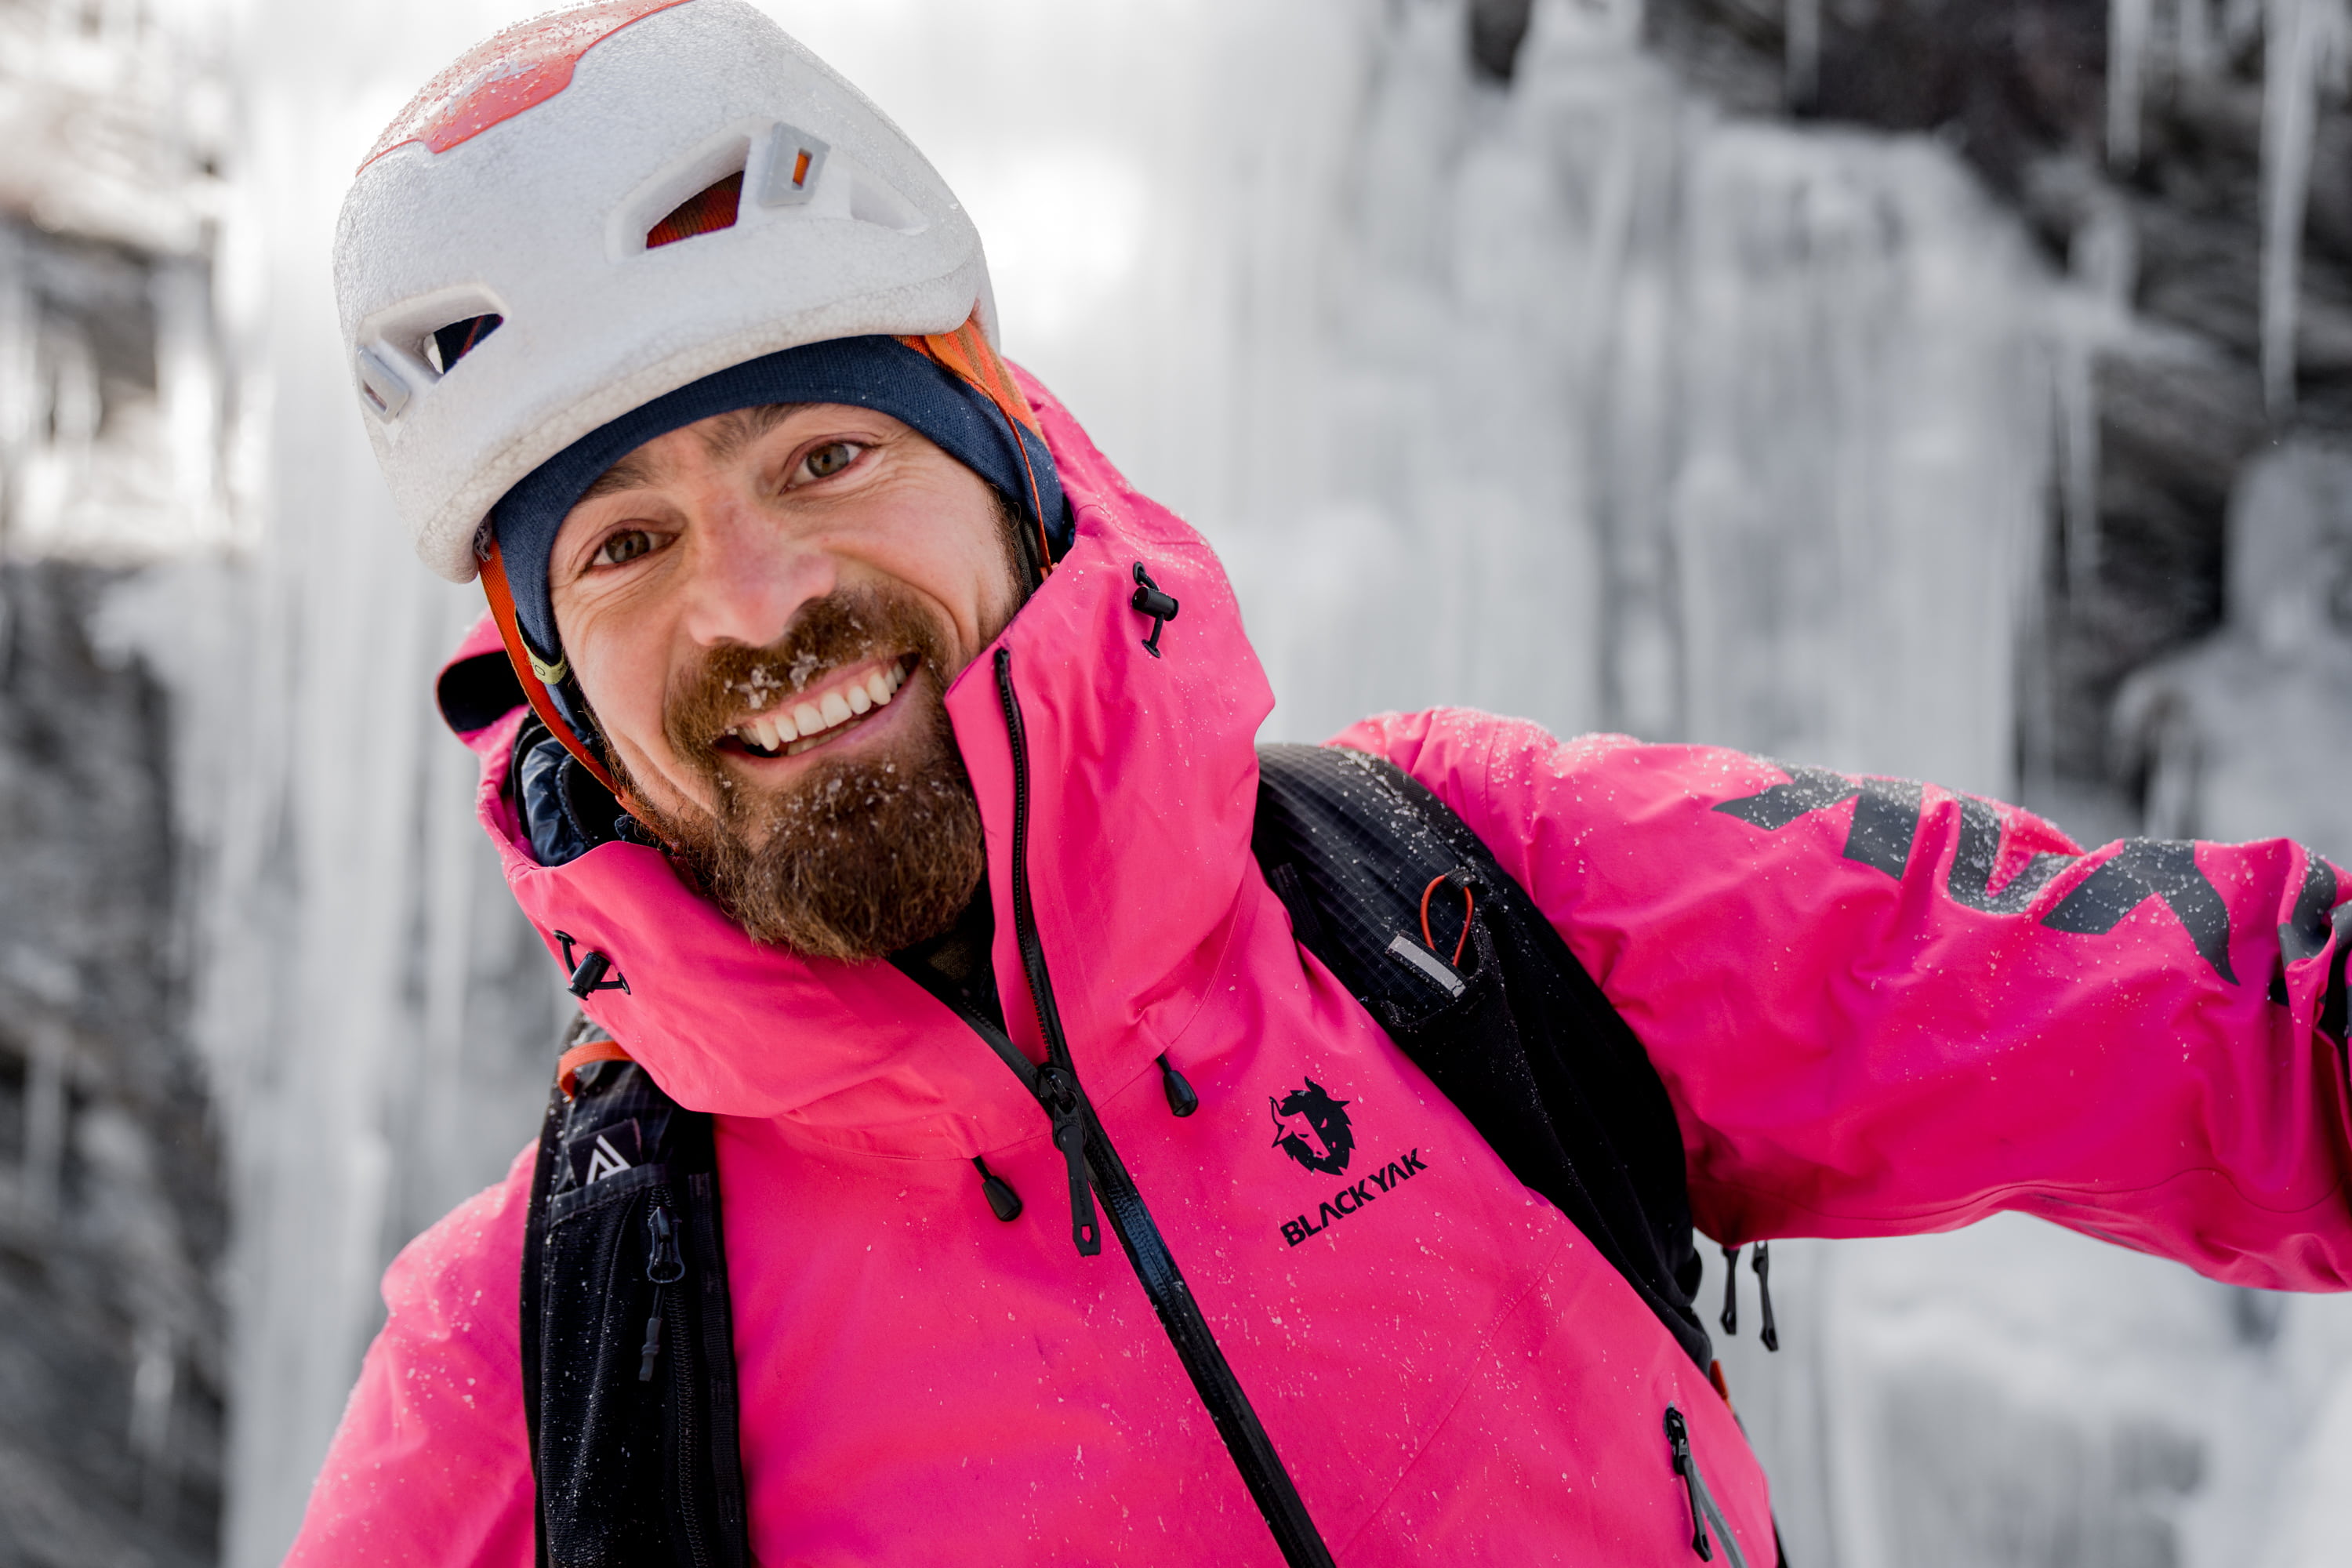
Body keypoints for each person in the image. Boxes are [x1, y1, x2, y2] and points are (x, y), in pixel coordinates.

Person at [293, 3, 2352, 1563]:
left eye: (826, 458)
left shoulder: (1466, 901)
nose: (760, 600)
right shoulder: (545, 1338)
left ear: (1011, 467)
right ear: (555, 695)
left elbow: (2219, 1026)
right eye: (627, 550)